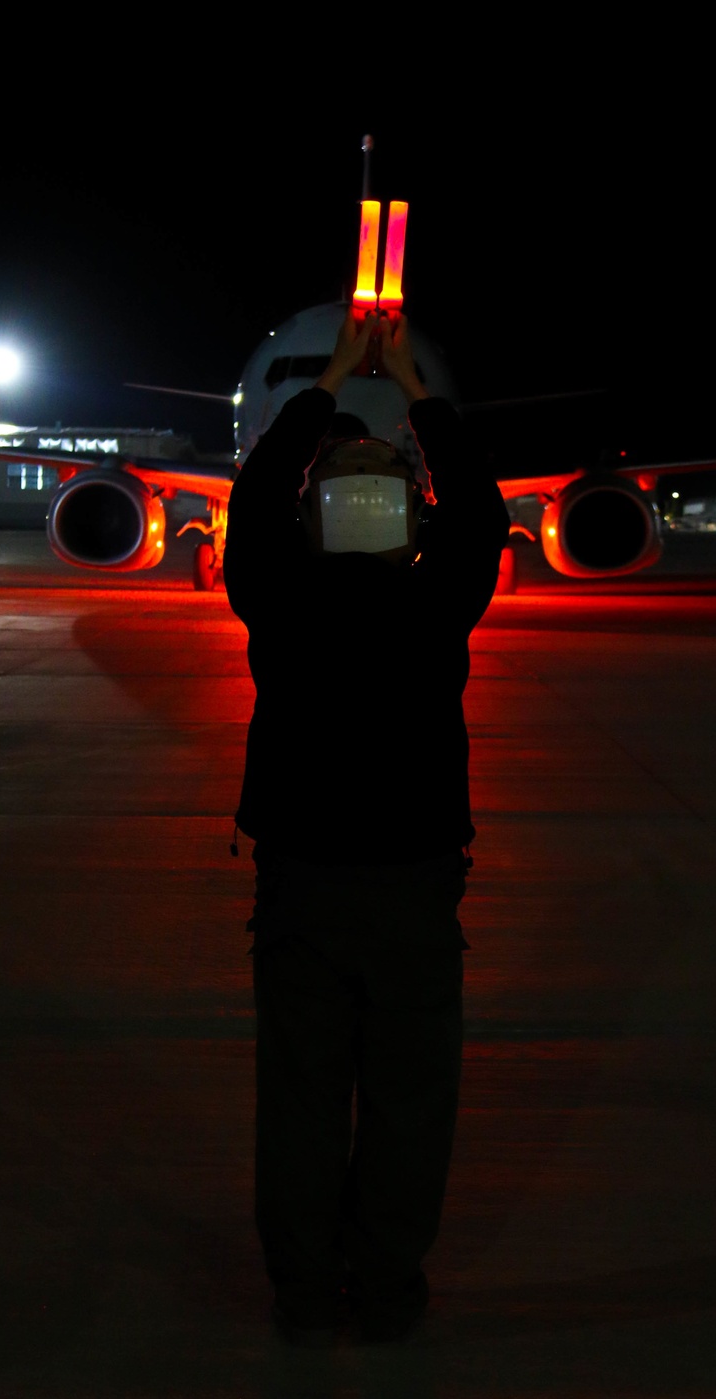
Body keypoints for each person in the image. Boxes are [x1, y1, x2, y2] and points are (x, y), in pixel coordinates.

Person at [223, 308, 510, 1345]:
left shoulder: (276, 604)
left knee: (299, 1101)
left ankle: (301, 1293)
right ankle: (385, 1290)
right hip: (414, 893)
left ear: (310, 526)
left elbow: (251, 511)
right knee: (408, 1104)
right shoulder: (440, 608)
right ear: (412, 528)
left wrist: (326, 390)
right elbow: (479, 515)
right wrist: (422, 397)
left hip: (299, 888)